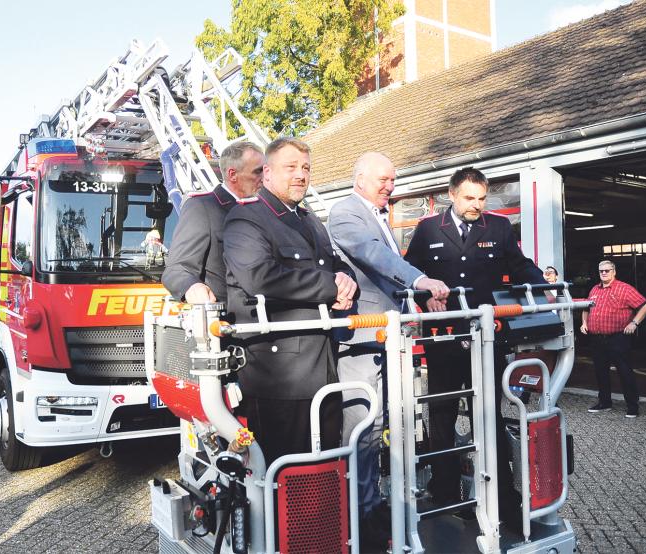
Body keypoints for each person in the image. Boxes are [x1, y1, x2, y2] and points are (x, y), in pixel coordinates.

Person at [403, 167, 544, 530]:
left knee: (490, 416)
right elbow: (409, 272)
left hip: (486, 338)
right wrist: (423, 295)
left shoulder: (497, 228)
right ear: (452, 195)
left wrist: (545, 289)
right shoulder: (429, 229)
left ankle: (502, 497)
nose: (476, 205)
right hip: (444, 339)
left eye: (481, 198)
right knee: (443, 415)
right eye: (469, 198)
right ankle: (446, 491)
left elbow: (520, 266)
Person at [327, 152, 448, 547]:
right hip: (361, 340)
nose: (390, 187)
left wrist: (415, 302)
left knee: (382, 425)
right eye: (383, 179)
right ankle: (356, 512)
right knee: (361, 426)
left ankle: (372, 503)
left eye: (393, 181)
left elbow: (387, 271)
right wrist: (421, 281)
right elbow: (373, 256)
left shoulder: (378, 215)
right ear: (360, 178)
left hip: (388, 337)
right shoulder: (346, 212)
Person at [222, 137, 357, 464]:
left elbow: (332, 263)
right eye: (291, 167)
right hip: (280, 378)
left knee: (325, 468)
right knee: (284, 476)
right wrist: (330, 288)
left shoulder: (309, 220)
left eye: (306, 168)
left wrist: (347, 280)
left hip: (322, 368)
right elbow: (261, 277)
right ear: (267, 173)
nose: (300, 175)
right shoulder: (246, 219)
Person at [162, 142, 264, 304]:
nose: (264, 178)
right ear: (232, 174)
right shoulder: (202, 207)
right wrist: (192, 286)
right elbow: (177, 269)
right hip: (231, 322)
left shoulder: (265, 211)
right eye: (258, 171)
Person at [580, 259, 646, 417]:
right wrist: (584, 323)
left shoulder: (624, 288)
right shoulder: (594, 290)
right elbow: (586, 307)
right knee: (600, 372)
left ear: (614, 272)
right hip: (597, 339)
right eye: (601, 271)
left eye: (607, 270)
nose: (604, 273)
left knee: (624, 372)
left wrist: (634, 323)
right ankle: (605, 402)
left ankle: (632, 406)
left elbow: (645, 305)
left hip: (617, 338)